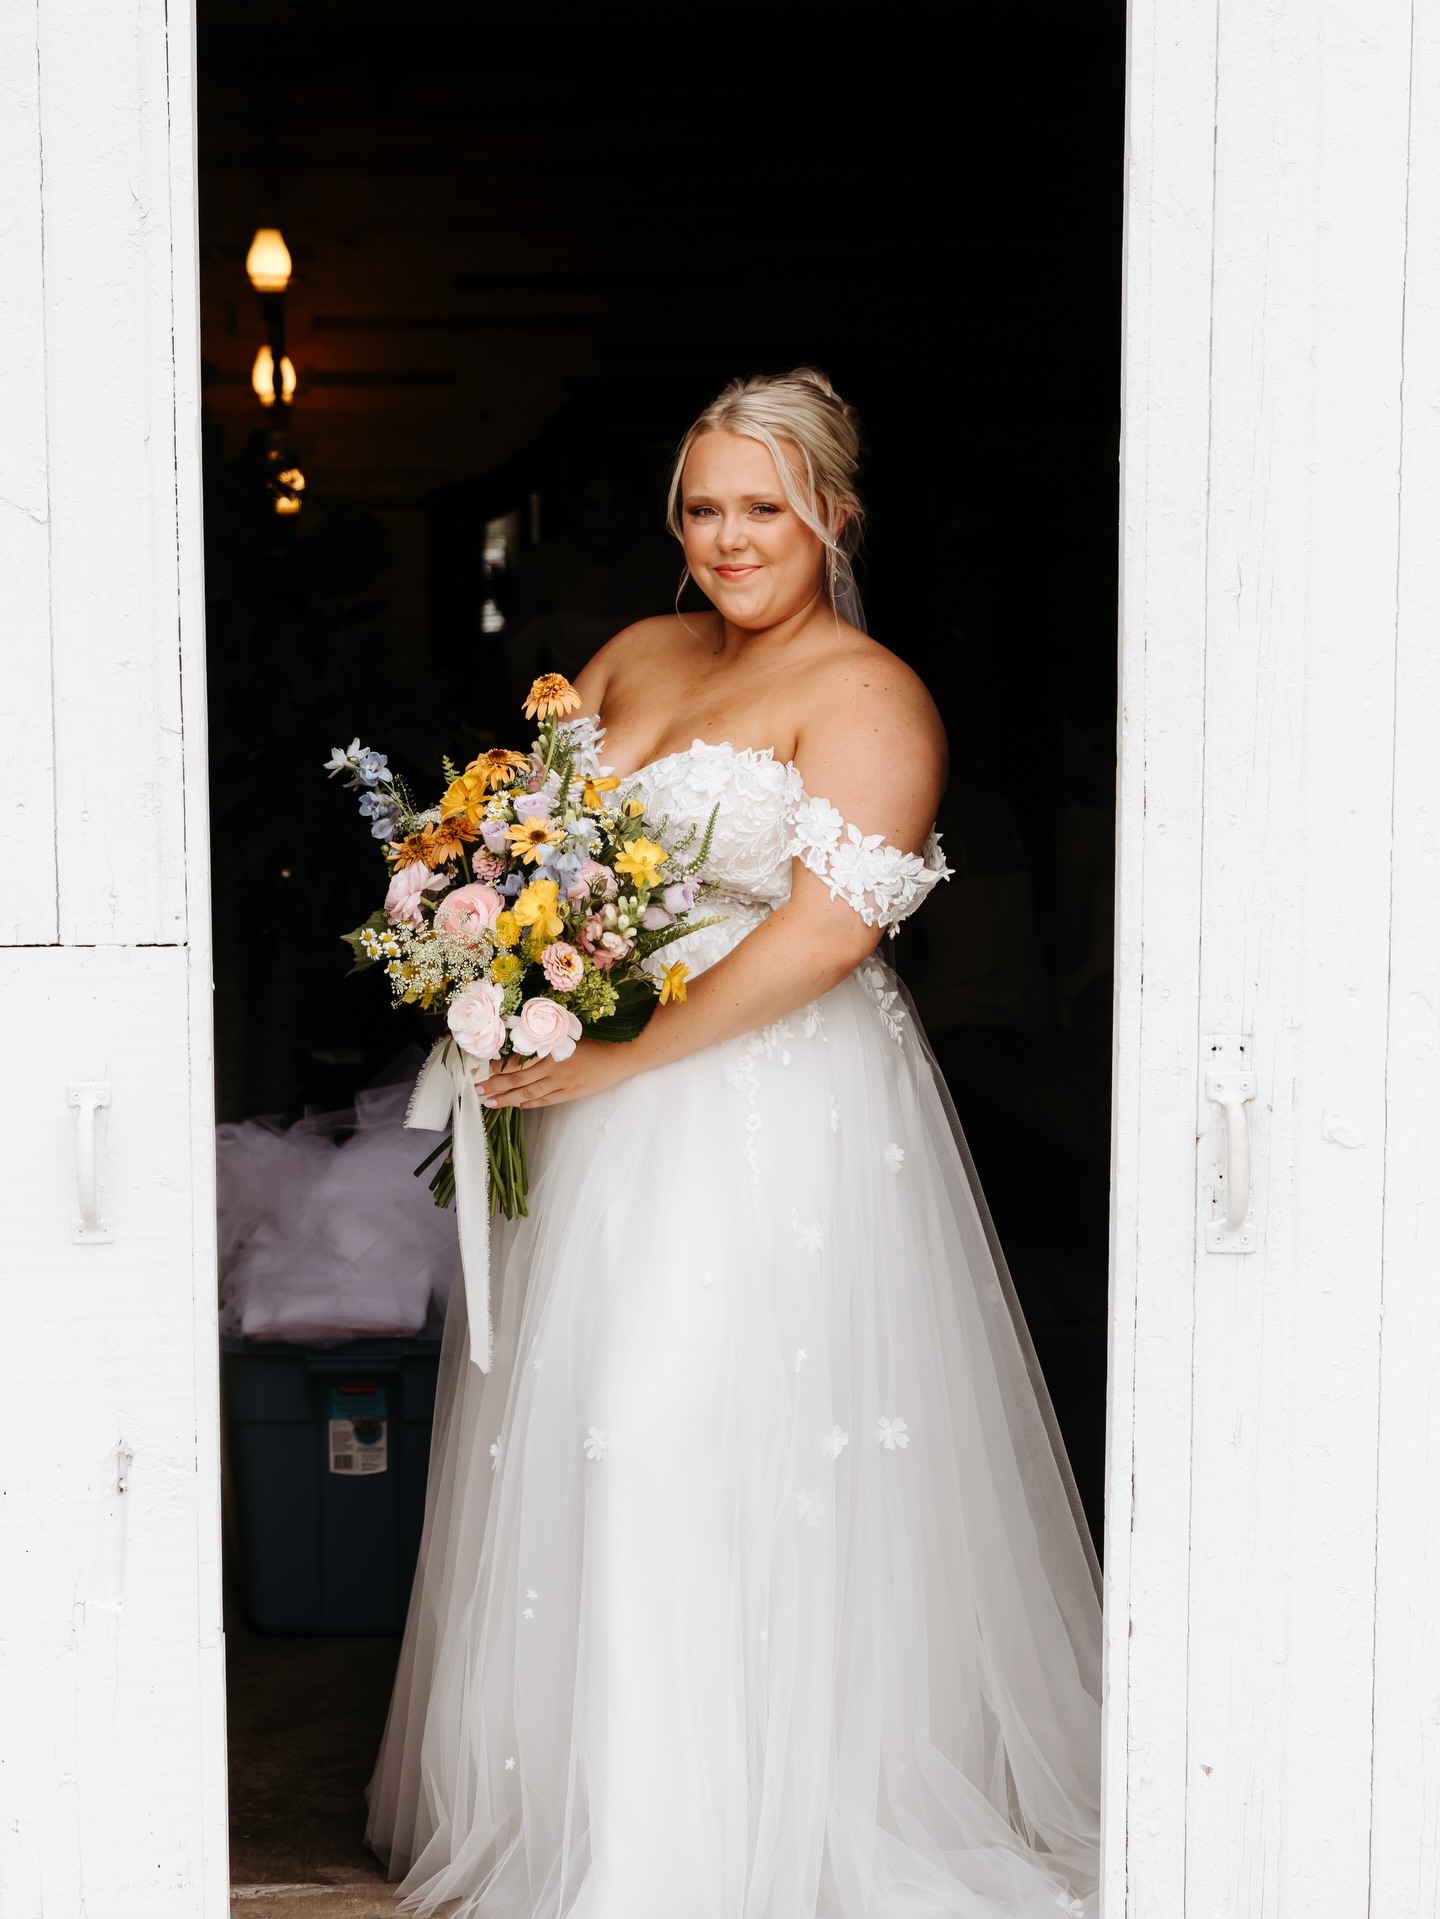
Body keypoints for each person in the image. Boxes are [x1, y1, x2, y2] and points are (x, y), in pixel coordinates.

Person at [366, 370, 1102, 1918]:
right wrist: (490, 952)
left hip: (770, 1115)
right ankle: (599, 1822)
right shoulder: (633, 653)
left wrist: (614, 1053)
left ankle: (697, 1850)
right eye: (702, 508)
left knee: (676, 1433)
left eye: (761, 506)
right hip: (603, 1119)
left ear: (831, 512)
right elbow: (530, 845)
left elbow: (827, 935)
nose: (728, 537)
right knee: (576, 1435)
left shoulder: (870, 696)